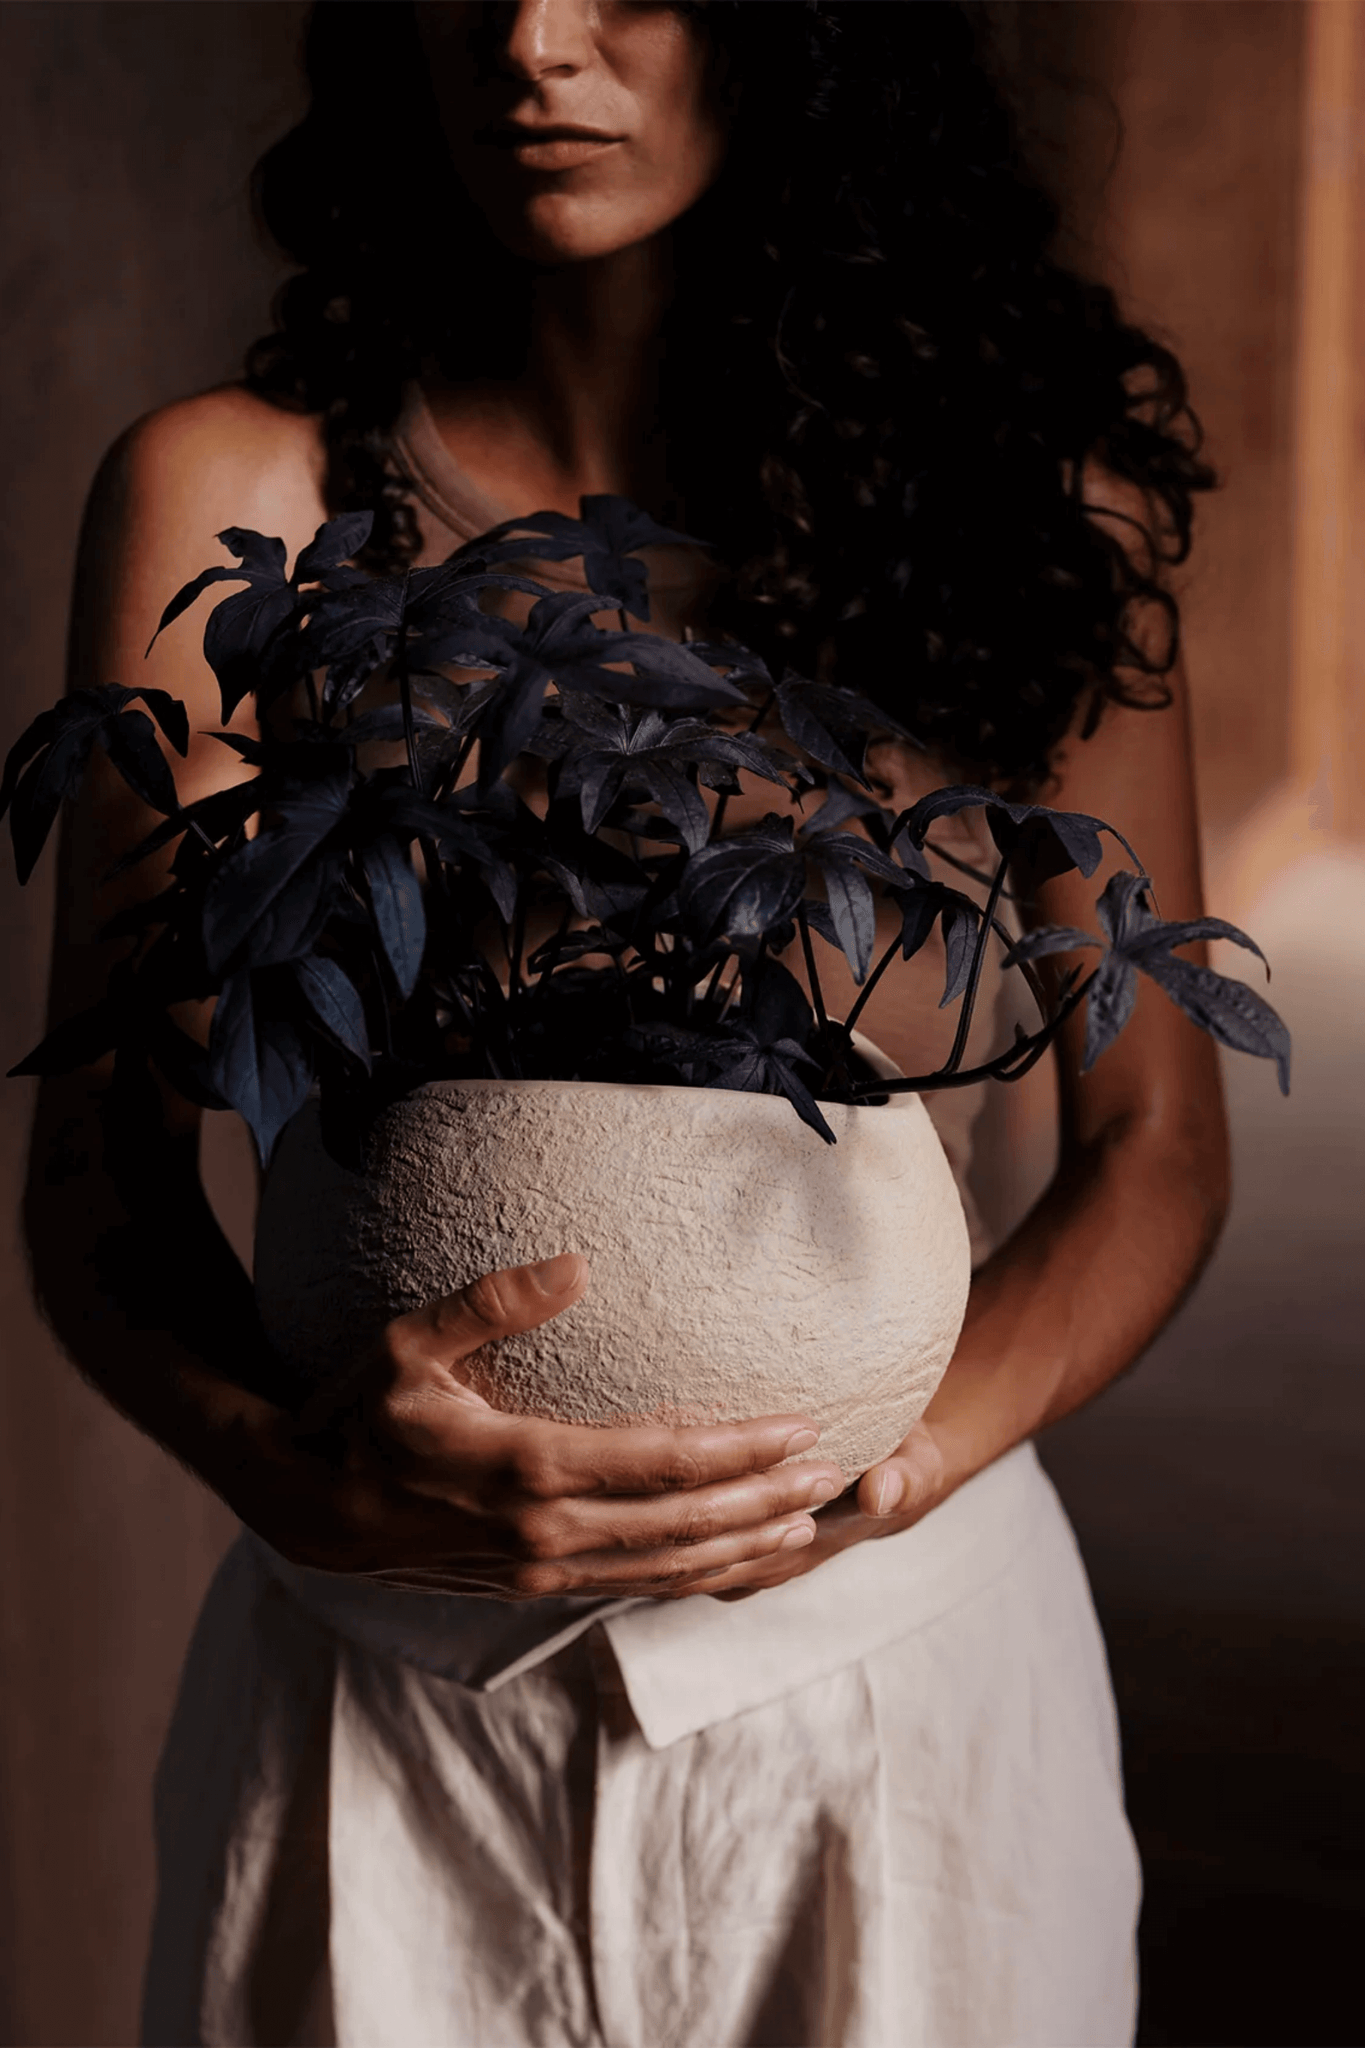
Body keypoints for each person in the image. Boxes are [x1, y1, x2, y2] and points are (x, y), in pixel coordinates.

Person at [27, 3, 1228, 2043]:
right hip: (381, 1689)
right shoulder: (243, 499)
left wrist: (878, 1473)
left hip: (885, 1695)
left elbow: (1155, 1150)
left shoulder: (1031, 502)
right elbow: (102, 1180)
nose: (529, 38)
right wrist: (293, 1476)